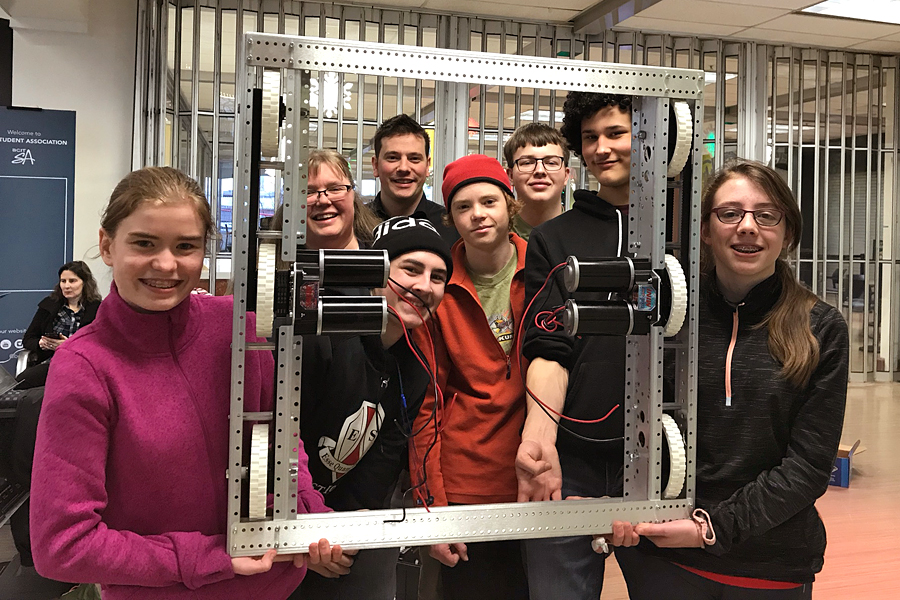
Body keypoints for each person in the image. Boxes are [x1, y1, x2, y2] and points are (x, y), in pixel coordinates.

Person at [29, 166, 351, 600]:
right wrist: (210, 558)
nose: (166, 264)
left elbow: (279, 440)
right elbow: (62, 546)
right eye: (144, 243)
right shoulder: (83, 366)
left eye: (185, 247)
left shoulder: (239, 328)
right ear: (107, 245)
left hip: (274, 588)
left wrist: (306, 516)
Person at [609, 160, 849, 600]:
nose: (748, 227)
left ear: (787, 233)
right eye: (730, 213)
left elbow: (809, 467)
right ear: (704, 230)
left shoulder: (822, 327)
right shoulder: (668, 317)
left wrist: (710, 529)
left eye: (766, 215)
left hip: (768, 564)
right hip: (665, 558)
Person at [295, 216, 452, 600]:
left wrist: (345, 529)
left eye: (437, 276)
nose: (423, 286)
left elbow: (381, 462)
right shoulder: (323, 336)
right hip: (287, 521)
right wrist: (307, 528)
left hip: (336, 534)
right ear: (376, 273)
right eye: (411, 269)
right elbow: (279, 441)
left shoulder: (416, 366)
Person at [515, 92, 633, 599]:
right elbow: (548, 346)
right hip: (574, 461)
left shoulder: (692, 234)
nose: (601, 148)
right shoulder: (554, 239)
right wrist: (541, 446)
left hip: (665, 461)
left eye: (616, 134)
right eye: (590, 138)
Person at [410, 154, 529, 600]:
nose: (477, 214)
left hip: (538, 477)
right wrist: (433, 508)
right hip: (465, 483)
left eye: (488, 201)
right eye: (463, 206)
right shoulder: (437, 285)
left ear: (509, 204)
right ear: (450, 218)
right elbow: (428, 402)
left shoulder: (544, 269)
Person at [367, 114, 459, 243]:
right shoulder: (354, 225)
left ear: (427, 166)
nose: (404, 168)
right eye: (393, 157)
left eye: (414, 158)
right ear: (376, 166)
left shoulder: (453, 227)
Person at [17, 260, 102, 389]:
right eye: (63, 281)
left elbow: (101, 346)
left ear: (84, 283)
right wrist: (41, 344)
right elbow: (28, 339)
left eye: (72, 281)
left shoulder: (97, 309)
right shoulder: (48, 305)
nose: (66, 286)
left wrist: (68, 345)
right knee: (21, 382)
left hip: (84, 364)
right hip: (52, 362)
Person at [503, 123, 571, 241]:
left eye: (551, 163)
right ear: (511, 176)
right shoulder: (496, 238)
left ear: (566, 175)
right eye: (527, 163)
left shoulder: (586, 235)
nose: (540, 170)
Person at [305, 149, 381, 251]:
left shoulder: (385, 254)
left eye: (335, 189)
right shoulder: (279, 261)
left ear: (353, 194)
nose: (323, 201)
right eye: (309, 192)